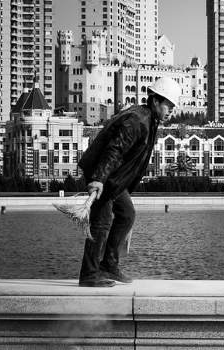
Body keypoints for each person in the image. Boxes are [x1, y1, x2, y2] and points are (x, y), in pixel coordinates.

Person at [77, 77, 181, 287]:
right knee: (101, 222)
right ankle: (89, 274)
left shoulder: (149, 121)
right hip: (104, 175)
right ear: (155, 101)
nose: (171, 110)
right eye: (168, 105)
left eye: (172, 106)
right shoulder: (137, 121)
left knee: (126, 215)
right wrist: (98, 179)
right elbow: (114, 150)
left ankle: (109, 265)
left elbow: (133, 163)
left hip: (113, 179)